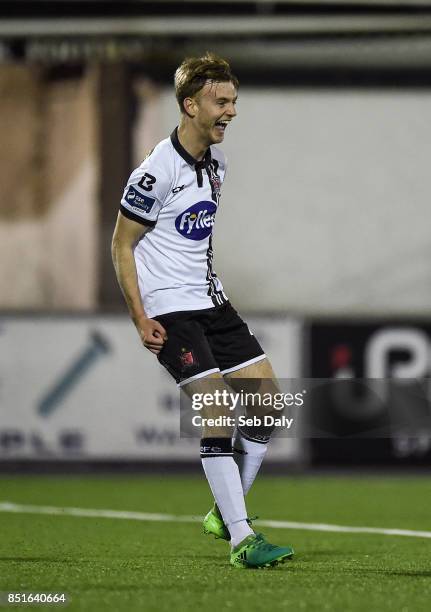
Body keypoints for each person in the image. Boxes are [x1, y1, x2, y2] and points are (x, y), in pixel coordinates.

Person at [111, 52, 294, 568]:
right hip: (170, 312)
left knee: (268, 406)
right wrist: (139, 316)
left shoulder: (218, 165)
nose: (231, 110)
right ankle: (242, 539)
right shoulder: (153, 173)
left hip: (212, 302)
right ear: (190, 105)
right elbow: (122, 246)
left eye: (235, 100)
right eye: (221, 101)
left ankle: (222, 510)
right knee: (216, 412)